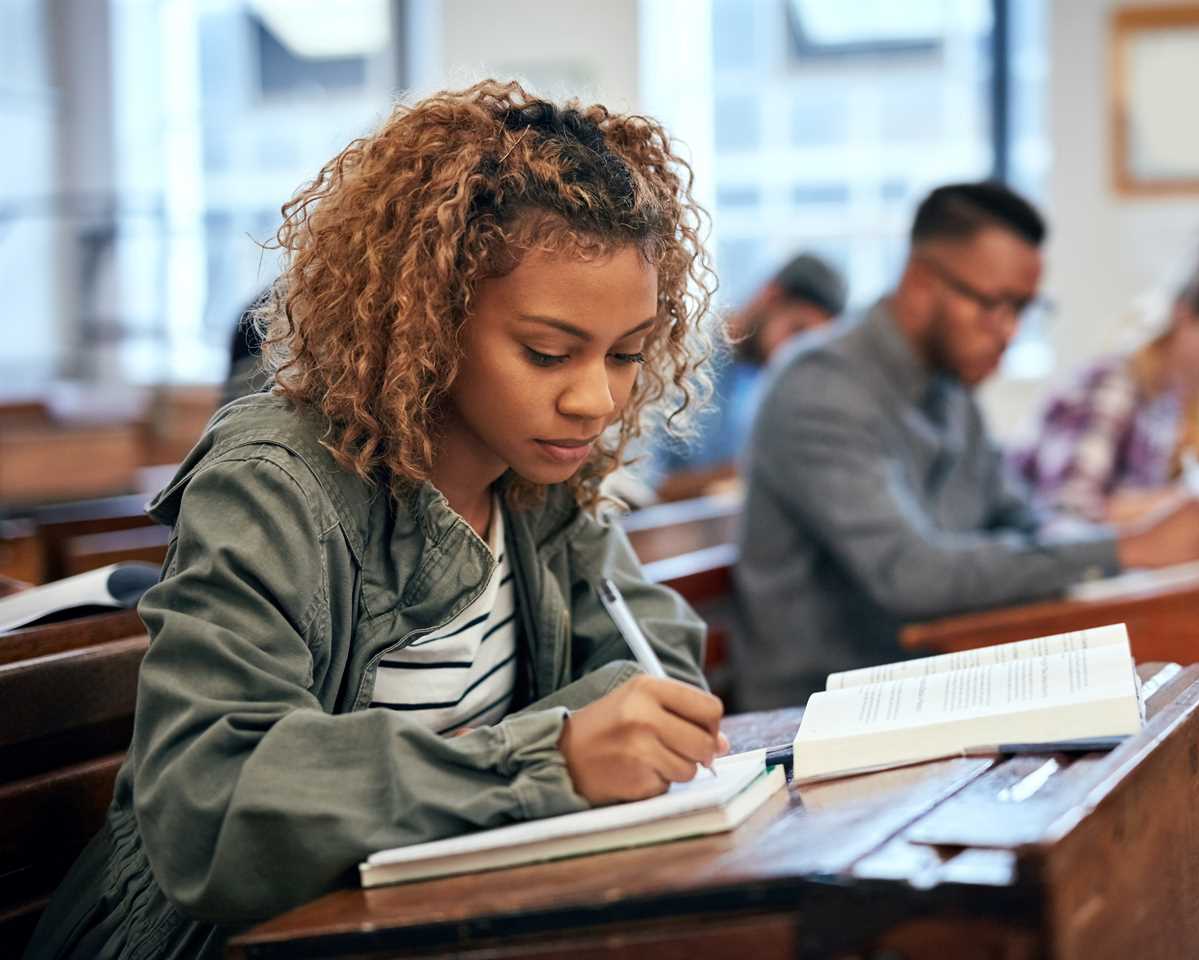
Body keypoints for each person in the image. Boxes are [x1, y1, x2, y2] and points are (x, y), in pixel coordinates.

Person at [26, 81, 727, 960]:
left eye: (626, 355)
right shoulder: (274, 486)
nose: (596, 400)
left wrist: (537, 751)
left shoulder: (539, 474)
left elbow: (658, 669)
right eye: (547, 353)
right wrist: (544, 757)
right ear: (429, 318)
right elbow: (214, 808)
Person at [732, 182, 1199, 711]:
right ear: (921, 282)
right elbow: (914, 577)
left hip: (934, 682)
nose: (1008, 332)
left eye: (1023, 309)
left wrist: (1126, 549)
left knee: (1167, 696)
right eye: (994, 305)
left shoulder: (950, 388)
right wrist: (1129, 547)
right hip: (816, 714)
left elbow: (1020, 518)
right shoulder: (819, 387)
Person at [1011, 220, 1199, 523]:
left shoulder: (1167, 399)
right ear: (1183, 314)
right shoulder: (1111, 385)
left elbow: (1138, 494)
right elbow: (1069, 515)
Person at [643, 253, 847, 501]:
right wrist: (746, 472)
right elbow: (642, 487)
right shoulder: (678, 356)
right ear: (771, 297)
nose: (793, 353)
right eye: (797, 331)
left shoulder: (765, 380)